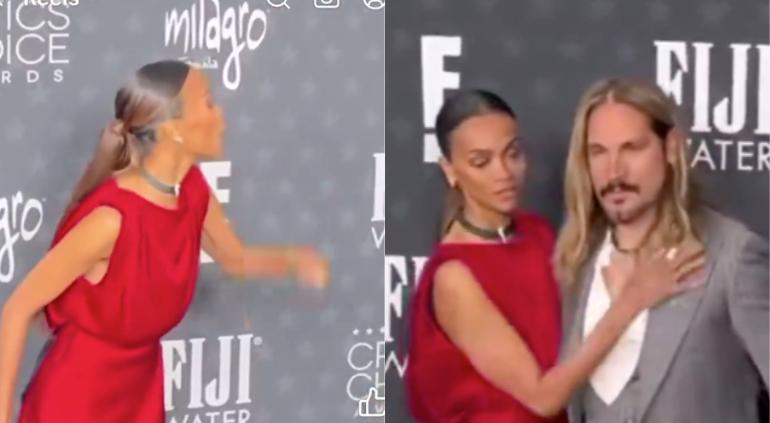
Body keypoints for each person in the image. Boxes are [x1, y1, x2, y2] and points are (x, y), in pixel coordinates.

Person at [0, 60, 330, 423]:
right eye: (208, 102)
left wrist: (296, 261)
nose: (221, 116)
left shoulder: (192, 191)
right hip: (75, 403)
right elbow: (17, 310)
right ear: (173, 128)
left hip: (141, 395)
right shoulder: (111, 220)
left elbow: (235, 259)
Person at [404, 89, 703, 423]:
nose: (503, 172)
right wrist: (634, 299)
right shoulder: (454, 277)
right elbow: (543, 398)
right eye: (481, 162)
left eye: (512, 154)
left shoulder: (538, 233)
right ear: (450, 170)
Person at [555, 78, 769, 423]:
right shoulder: (578, 260)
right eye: (598, 152)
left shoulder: (733, 255)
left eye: (631, 148)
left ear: (670, 148)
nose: (614, 171)